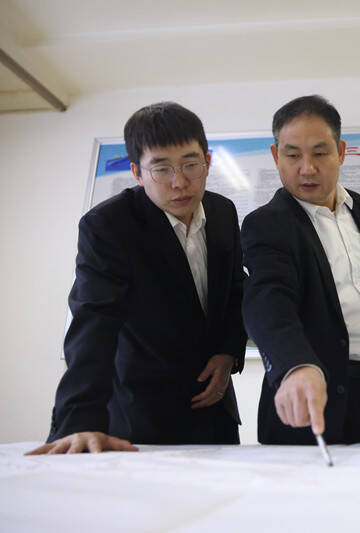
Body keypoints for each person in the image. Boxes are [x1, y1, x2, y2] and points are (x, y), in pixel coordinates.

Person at [27, 102, 247, 454]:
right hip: (140, 415)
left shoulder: (223, 212)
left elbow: (236, 289)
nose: (179, 182)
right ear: (137, 173)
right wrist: (79, 420)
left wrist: (228, 352)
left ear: (207, 162)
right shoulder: (109, 226)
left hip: (215, 412)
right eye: (161, 169)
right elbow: (94, 321)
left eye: (191, 164)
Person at [241, 95, 360, 444]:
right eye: (293, 155)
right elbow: (269, 301)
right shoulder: (267, 225)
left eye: (319, 153)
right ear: (276, 156)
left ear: (340, 152)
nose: (307, 168)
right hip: (310, 396)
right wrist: (294, 366)